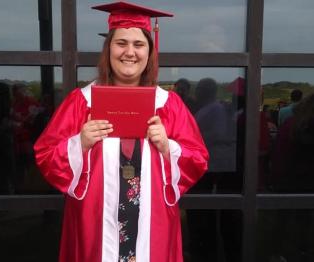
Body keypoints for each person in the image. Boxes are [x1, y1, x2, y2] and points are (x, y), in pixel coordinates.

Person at [34, 2, 209, 261]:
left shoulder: (168, 105)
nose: (130, 52)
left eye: (139, 45)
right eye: (121, 43)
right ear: (108, 50)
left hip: (152, 229)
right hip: (94, 227)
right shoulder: (81, 102)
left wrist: (167, 147)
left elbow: (198, 158)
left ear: (150, 51)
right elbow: (46, 155)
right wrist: (79, 143)